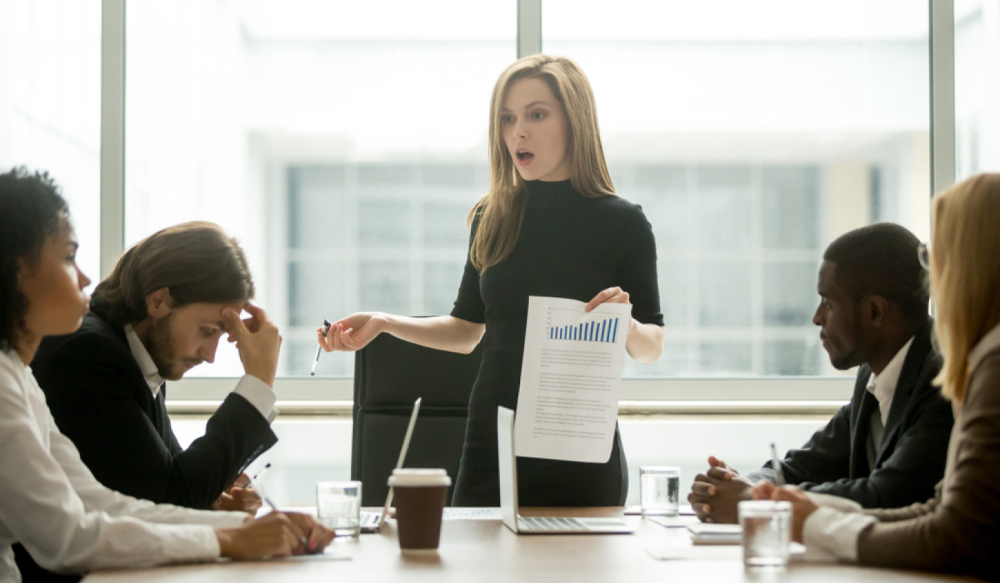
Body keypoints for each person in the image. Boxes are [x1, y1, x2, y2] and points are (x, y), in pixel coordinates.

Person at [319, 55, 665, 506]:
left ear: (574, 120)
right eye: (507, 118)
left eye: (536, 115)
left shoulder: (624, 223)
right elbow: (466, 331)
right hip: (491, 446)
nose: (517, 132)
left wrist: (629, 326)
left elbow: (652, 347)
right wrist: (385, 322)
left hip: (580, 449)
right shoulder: (491, 216)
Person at [0, 168, 333, 583]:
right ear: (16, 271)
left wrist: (243, 529)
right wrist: (259, 381)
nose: (85, 278)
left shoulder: (21, 375)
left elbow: (103, 504)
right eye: (68, 257)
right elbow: (71, 536)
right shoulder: (83, 355)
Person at [756, 173, 1000, 581]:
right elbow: (940, 511)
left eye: (937, 257)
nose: (932, 278)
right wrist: (784, 503)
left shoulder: (990, 367)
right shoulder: (977, 364)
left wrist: (806, 519)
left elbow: (954, 532)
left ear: (972, 268)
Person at [688, 223, 953, 524]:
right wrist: (737, 488)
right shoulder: (874, 376)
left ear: (875, 312)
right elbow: (797, 468)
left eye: (828, 302)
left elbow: (891, 495)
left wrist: (758, 502)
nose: (817, 318)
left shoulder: (942, 381)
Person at [30, 222, 277, 513]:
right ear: (158, 301)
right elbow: (170, 496)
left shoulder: (138, 356)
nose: (210, 355)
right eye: (207, 330)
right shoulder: (89, 355)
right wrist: (259, 380)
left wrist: (214, 503)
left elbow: (171, 479)